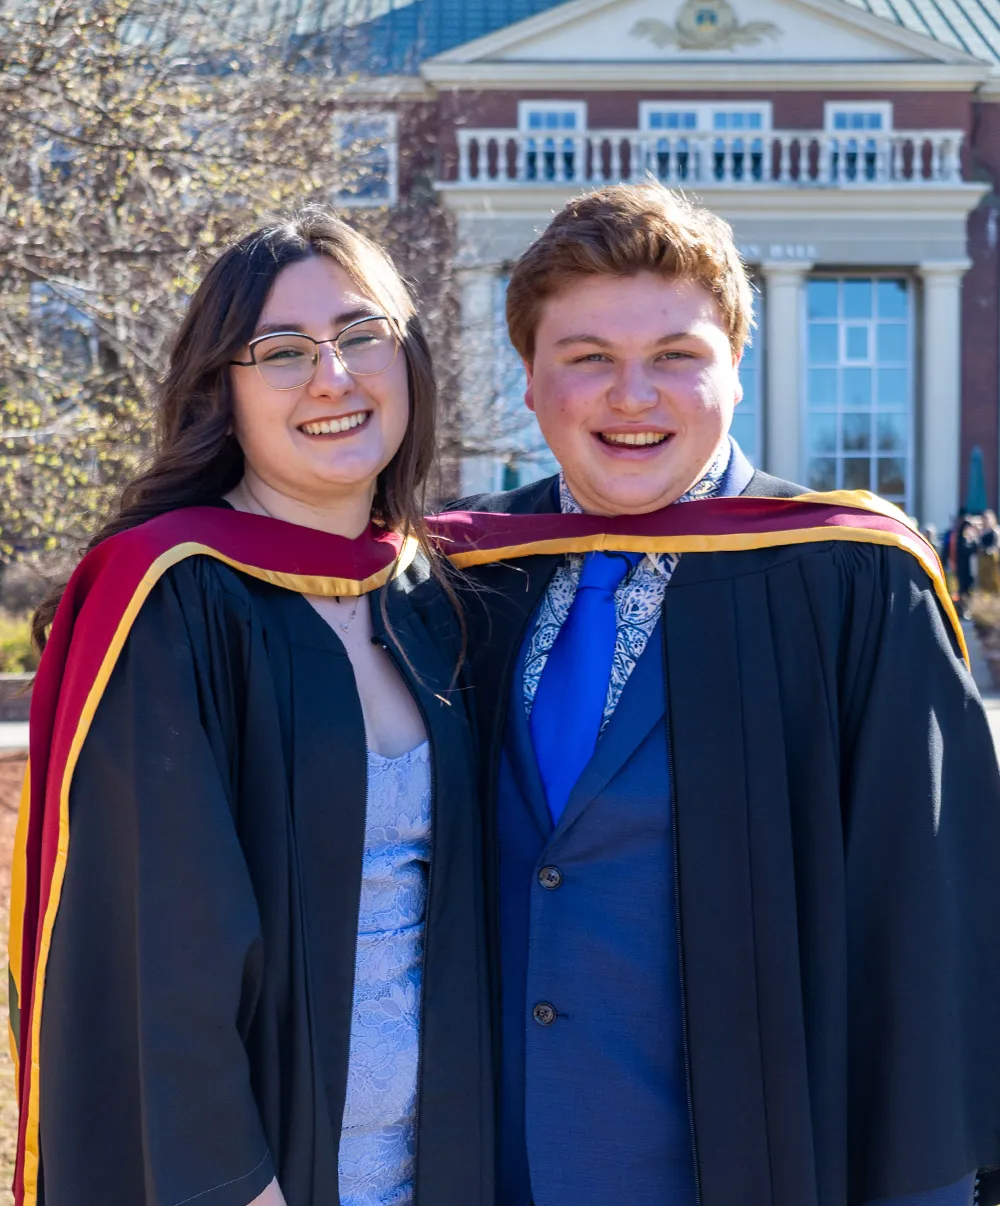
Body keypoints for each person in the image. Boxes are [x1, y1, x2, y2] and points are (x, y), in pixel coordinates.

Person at [446, 184, 1000, 1206]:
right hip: (490, 1168)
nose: (631, 394)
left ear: (735, 368)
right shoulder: (466, 574)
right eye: (587, 358)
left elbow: (927, 926)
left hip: (759, 1163)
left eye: (674, 356)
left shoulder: (848, 577)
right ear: (528, 379)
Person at [10, 209, 493, 1206]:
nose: (334, 376)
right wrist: (235, 1186)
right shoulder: (173, 597)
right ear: (220, 391)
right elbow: (162, 949)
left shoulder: (428, 598)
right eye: (281, 352)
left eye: (362, 335)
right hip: (265, 1175)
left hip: (439, 1160)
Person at [978, 510, 1000, 595]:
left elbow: (996, 546)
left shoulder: (996, 531)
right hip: (984, 561)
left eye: (987, 518)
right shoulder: (982, 533)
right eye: (984, 518)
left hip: (994, 561)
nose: (986, 520)